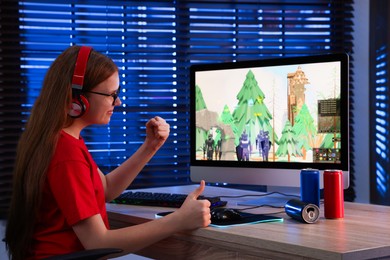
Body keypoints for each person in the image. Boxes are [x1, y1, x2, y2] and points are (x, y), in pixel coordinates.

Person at [5, 45, 211, 260]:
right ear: (78, 99)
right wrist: (179, 220)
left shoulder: (64, 140)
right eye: (111, 95)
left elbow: (104, 190)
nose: (118, 102)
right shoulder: (67, 155)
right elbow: (98, 243)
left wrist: (150, 147)